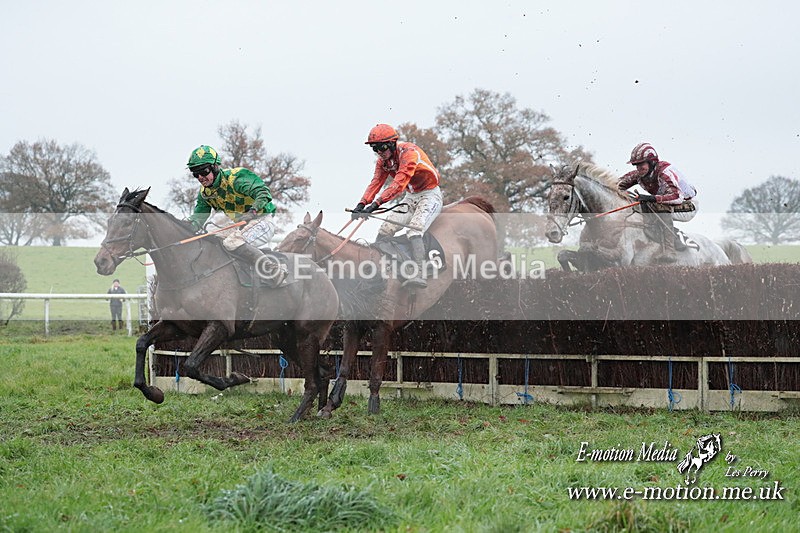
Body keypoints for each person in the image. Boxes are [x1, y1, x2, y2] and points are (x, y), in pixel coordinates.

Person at [352, 124, 443, 288]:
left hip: (430, 195)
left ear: (393, 143)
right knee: (385, 229)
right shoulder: (383, 162)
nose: (379, 152)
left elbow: (399, 183)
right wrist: (361, 203)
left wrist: (376, 204)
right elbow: (376, 183)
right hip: (411, 197)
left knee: (414, 230)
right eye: (375, 148)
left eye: (382, 146)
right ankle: (378, 267)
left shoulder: (409, 153)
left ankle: (419, 273)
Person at [185, 145, 284, 285]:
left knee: (232, 242)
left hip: (263, 220)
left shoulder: (237, 178)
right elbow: (198, 219)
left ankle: (274, 270)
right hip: (241, 225)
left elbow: (263, 193)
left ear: (215, 167)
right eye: (195, 173)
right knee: (213, 240)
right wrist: (182, 227)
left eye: (204, 171)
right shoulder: (205, 193)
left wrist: (253, 211)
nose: (200, 177)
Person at [617, 142, 698, 263]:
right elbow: (615, 185)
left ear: (651, 162)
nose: (638, 168)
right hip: (669, 201)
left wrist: (652, 198)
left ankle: (670, 250)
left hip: (688, 204)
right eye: (636, 165)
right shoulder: (639, 175)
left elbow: (677, 197)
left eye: (641, 164)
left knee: (659, 207)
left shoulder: (665, 173)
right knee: (639, 204)